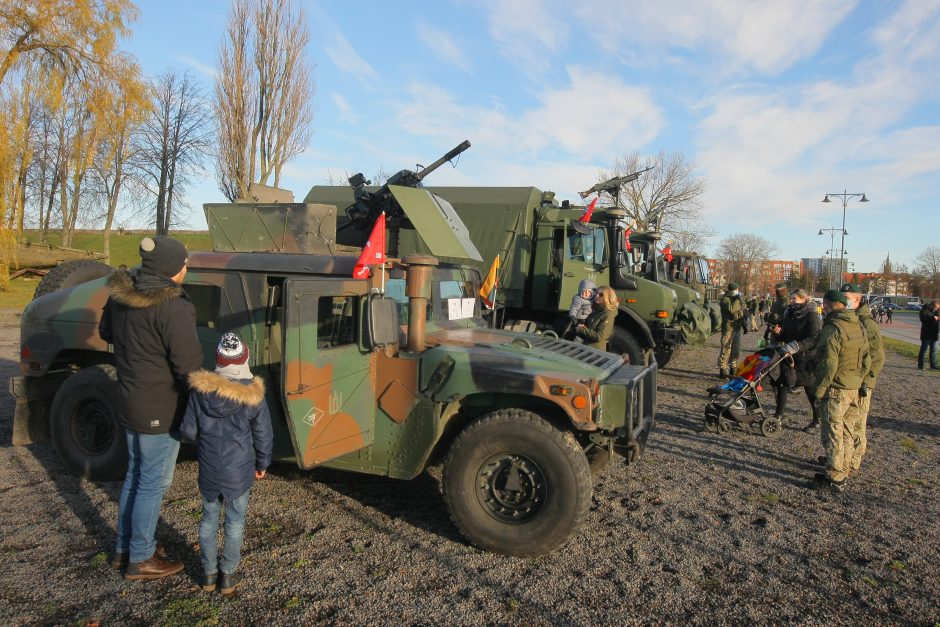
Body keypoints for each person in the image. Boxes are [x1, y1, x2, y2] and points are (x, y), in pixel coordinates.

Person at [99, 236, 203, 580]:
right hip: (160, 405)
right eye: (185, 263)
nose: (187, 269)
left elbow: (106, 332)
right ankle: (141, 558)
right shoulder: (173, 307)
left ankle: (125, 548)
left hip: (130, 398)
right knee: (153, 482)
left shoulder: (120, 297)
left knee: (135, 474)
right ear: (175, 269)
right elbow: (188, 364)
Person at [180, 332, 273, 596]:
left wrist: (206, 440)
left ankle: (208, 574)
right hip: (239, 471)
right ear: (244, 358)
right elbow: (263, 434)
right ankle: (228, 576)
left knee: (209, 519)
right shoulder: (252, 395)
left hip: (210, 468)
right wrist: (262, 463)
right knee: (234, 522)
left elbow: (187, 431)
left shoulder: (200, 392)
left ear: (219, 360)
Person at [810, 289, 870, 493]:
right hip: (854, 386)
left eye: (824, 306)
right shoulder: (857, 324)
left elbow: (828, 363)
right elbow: (866, 359)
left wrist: (819, 390)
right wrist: (859, 380)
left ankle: (834, 478)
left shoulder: (834, 328)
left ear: (829, 305)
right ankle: (843, 469)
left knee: (833, 433)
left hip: (837, 389)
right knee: (846, 431)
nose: (823, 309)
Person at [841, 284, 884, 475]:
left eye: (847, 298)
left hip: (861, 383)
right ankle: (842, 456)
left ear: (857, 300)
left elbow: (877, 357)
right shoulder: (847, 319)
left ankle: (853, 461)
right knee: (844, 424)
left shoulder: (868, 323)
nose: (843, 301)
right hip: (847, 381)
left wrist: (867, 382)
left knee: (857, 424)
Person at [770, 289, 821, 429]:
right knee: (783, 384)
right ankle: (778, 416)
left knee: (810, 389)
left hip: (806, 358)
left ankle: (818, 419)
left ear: (803, 299)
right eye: (791, 298)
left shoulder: (812, 316)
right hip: (789, 356)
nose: (792, 301)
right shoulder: (789, 314)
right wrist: (778, 334)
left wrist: (797, 346)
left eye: (795, 299)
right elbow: (786, 336)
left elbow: (814, 338)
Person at [575, 285, 618, 350]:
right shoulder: (598, 309)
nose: (597, 296)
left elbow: (599, 336)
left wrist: (582, 329)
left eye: (601, 294)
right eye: (596, 293)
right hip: (587, 347)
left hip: (595, 353)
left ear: (608, 296)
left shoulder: (609, 314)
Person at [717, 282, 745, 378]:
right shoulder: (725, 299)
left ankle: (733, 368)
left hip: (737, 327)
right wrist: (738, 300)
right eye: (735, 290)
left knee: (735, 350)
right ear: (731, 291)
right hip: (728, 328)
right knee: (726, 349)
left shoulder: (736, 299)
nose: (737, 292)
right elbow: (732, 309)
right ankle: (722, 369)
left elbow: (742, 309)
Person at [918, 301, 940, 370]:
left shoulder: (936, 311)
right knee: (924, 349)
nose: (936, 309)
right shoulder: (924, 310)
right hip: (926, 333)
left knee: (934, 350)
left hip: (935, 333)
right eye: (936, 307)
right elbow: (923, 319)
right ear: (932, 305)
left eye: (937, 308)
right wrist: (933, 318)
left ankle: (933, 365)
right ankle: (921, 365)